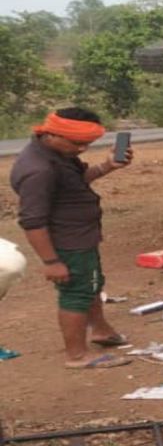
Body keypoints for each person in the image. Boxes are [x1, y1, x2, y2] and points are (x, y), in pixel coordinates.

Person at [10, 108, 133, 368]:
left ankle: (101, 330)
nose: (82, 149)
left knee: (92, 284)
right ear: (52, 134)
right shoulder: (39, 170)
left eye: (87, 143)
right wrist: (51, 261)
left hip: (81, 237)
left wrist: (107, 166)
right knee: (76, 294)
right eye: (77, 143)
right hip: (68, 243)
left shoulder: (58, 154)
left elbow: (75, 182)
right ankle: (77, 355)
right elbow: (32, 221)